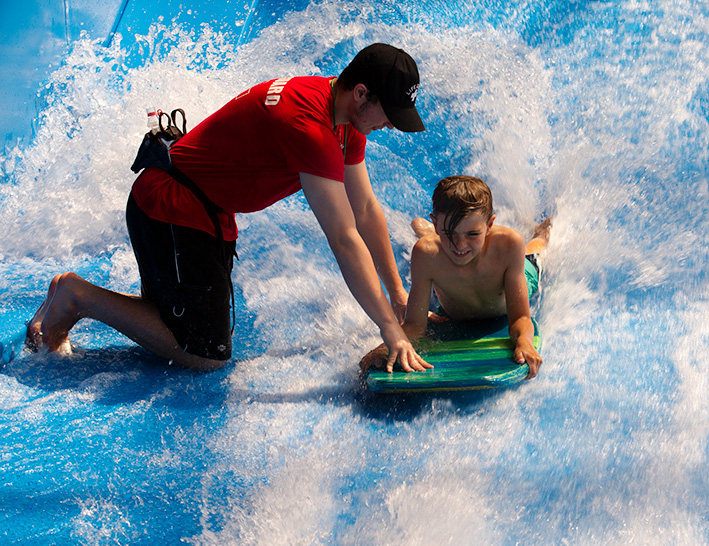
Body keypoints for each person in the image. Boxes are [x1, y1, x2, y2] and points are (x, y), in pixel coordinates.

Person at [26, 43, 432, 373]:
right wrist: (389, 329)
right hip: (172, 208)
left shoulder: (343, 118)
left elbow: (364, 209)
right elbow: (344, 238)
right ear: (361, 93)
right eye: (390, 115)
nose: (392, 126)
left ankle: (77, 297)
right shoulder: (309, 127)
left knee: (179, 326)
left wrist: (397, 294)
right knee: (204, 355)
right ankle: (78, 296)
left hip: (200, 209)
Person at [363, 175, 550, 378]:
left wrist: (524, 340)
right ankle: (429, 230)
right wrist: (384, 348)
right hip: (451, 302)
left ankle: (542, 232)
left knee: (533, 251)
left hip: (510, 289)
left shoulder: (509, 245)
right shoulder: (425, 254)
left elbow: (520, 317)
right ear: (437, 225)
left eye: (472, 234)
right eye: (449, 233)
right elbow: (416, 327)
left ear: (489, 225)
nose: (460, 245)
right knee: (434, 246)